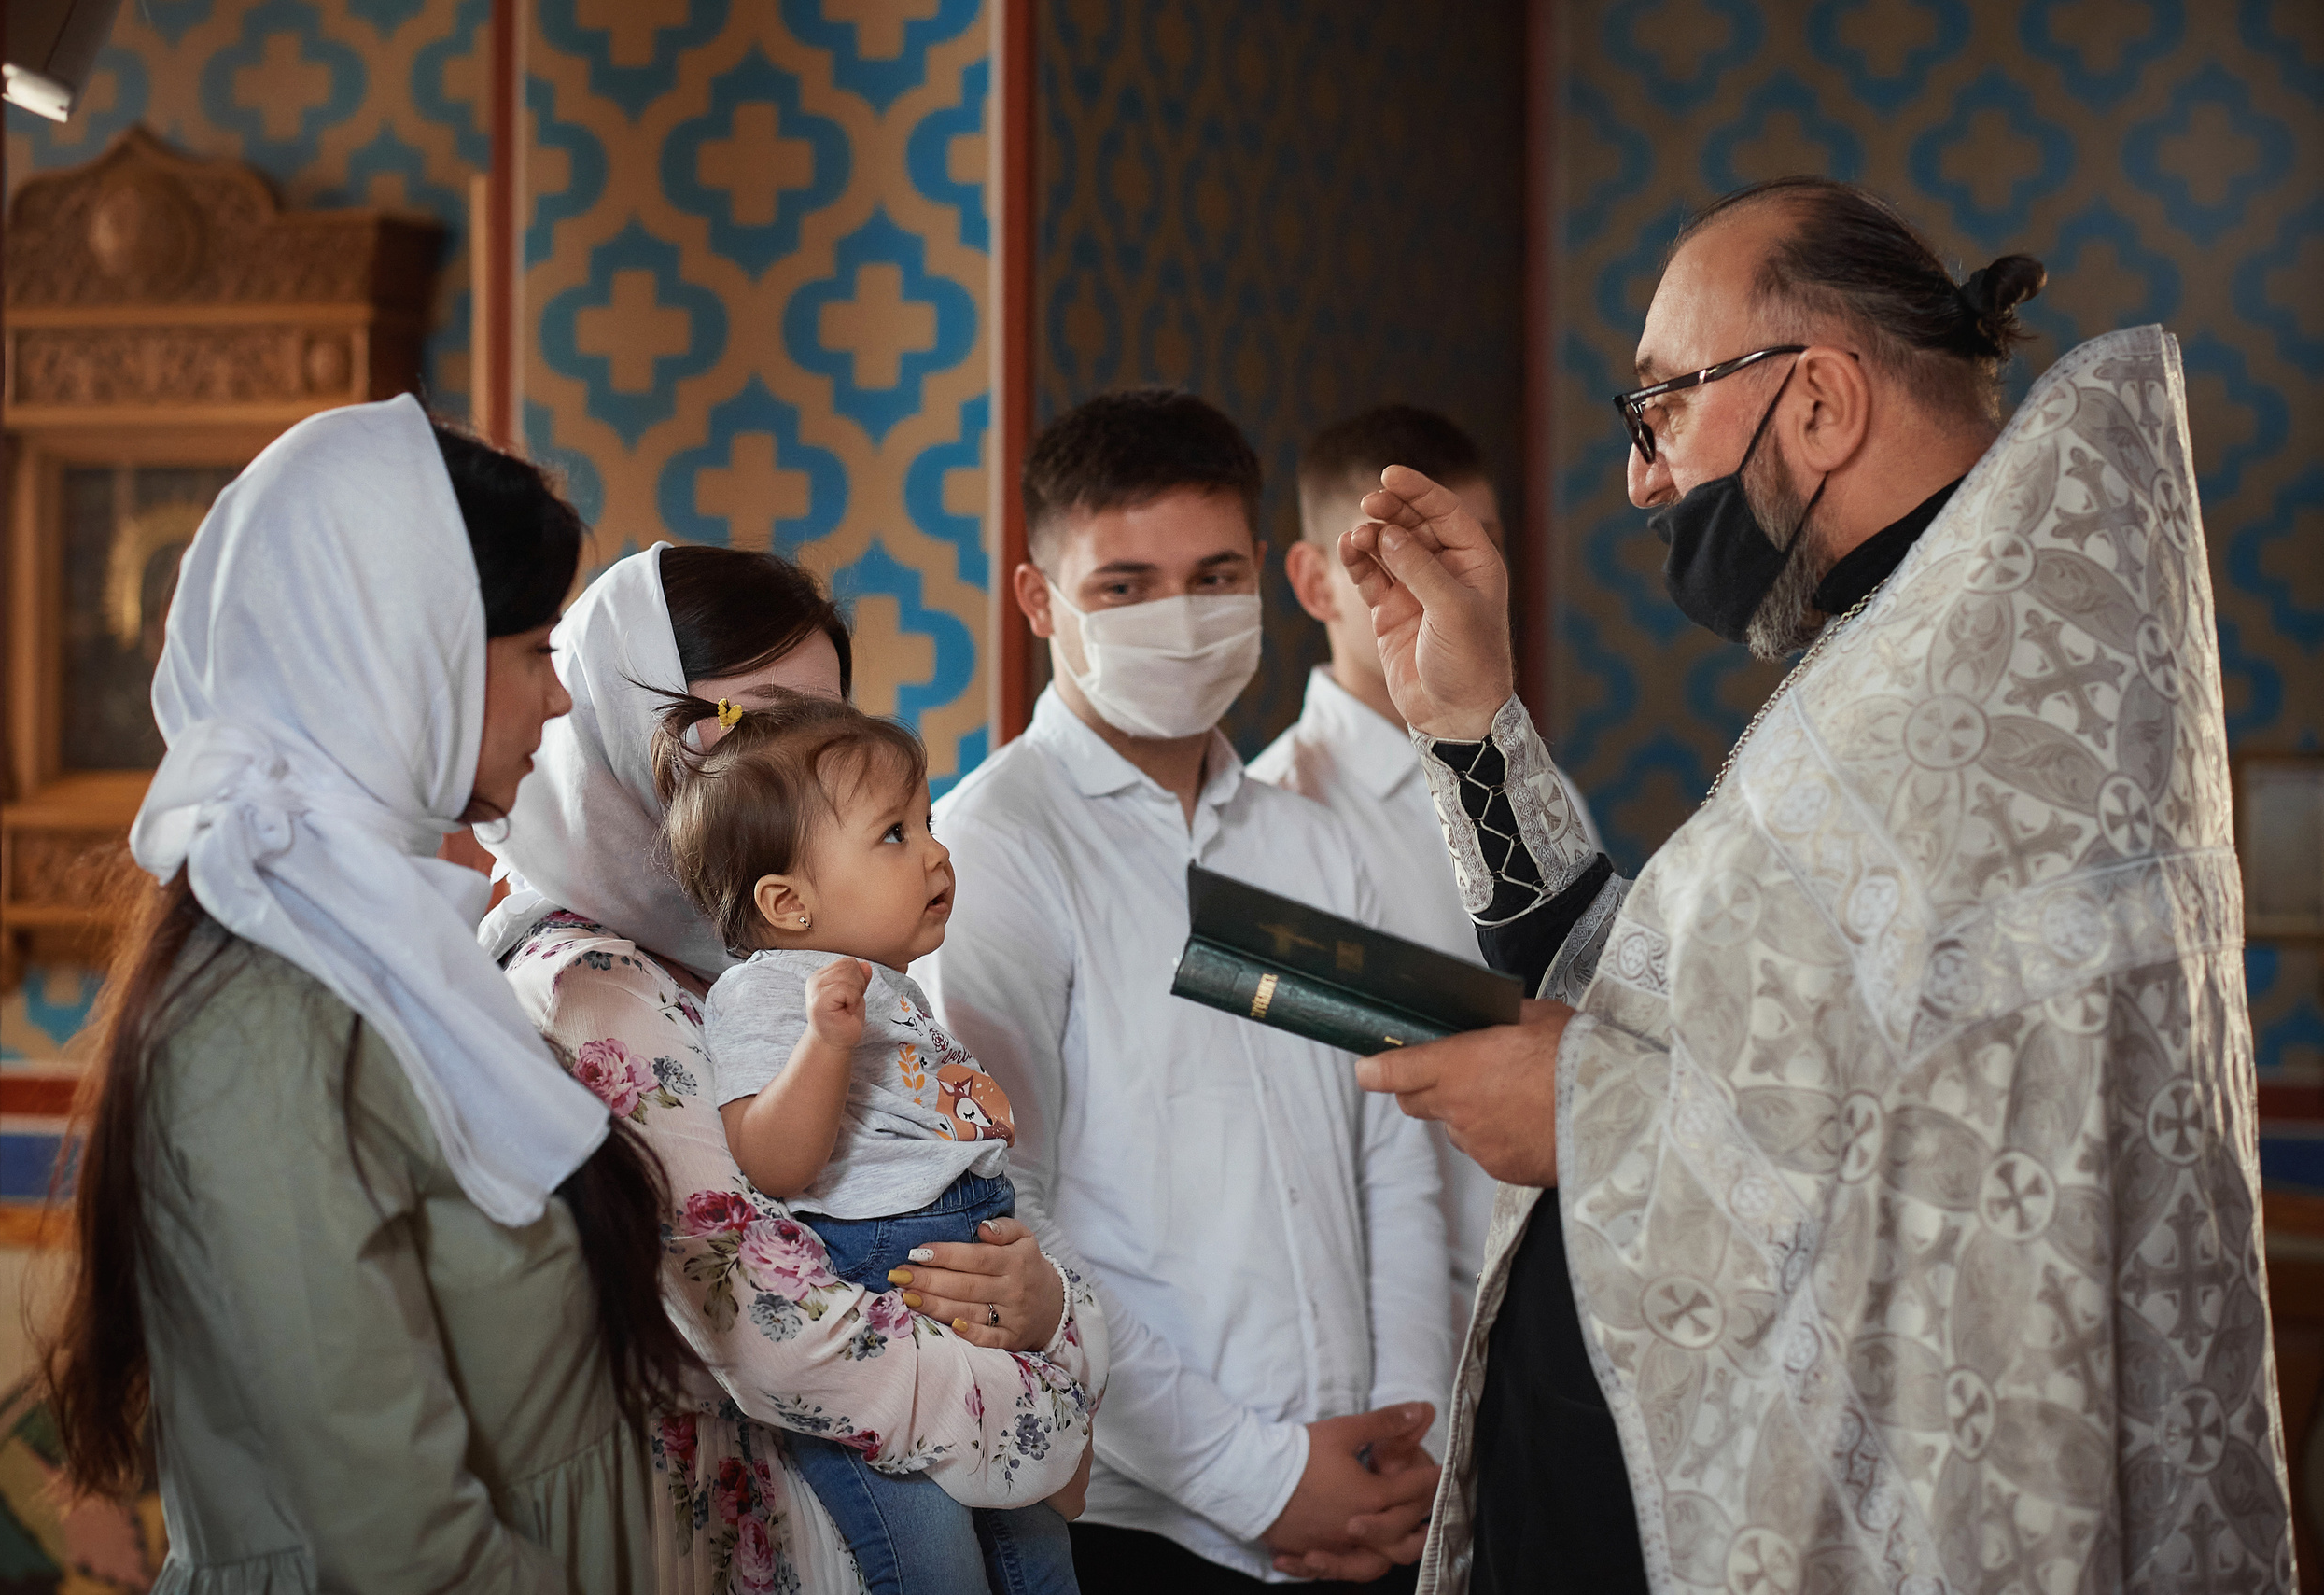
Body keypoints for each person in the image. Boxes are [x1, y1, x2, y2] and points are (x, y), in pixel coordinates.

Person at [1338, 176, 2294, 1591]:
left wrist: (1579, 1110)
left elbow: (1948, 1175)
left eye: (1659, 409)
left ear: (1822, 403)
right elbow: (1695, 1023)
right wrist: (1471, 721)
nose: (1641, 478)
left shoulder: (1975, 700)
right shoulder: (1908, 649)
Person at [41, 396, 684, 1588]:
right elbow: (401, 1540)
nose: (556, 698)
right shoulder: (266, 1018)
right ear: (409, 660)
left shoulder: (387, 940)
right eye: (533, 648)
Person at [485, 542, 1103, 1592]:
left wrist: (1045, 1307)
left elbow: (961, 1173)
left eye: (822, 727)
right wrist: (1041, 1415)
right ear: (620, 718)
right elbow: (764, 1315)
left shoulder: (809, 960)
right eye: (755, 722)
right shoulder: (591, 985)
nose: (793, 761)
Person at [914, 389, 1451, 1593]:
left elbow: (1391, 1141)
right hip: (1144, 1519)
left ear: (1259, 571)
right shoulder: (995, 847)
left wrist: (1401, 1432)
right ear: (1039, 599)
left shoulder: (1306, 840)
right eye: (1124, 585)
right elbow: (1003, 1211)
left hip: (1370, 1485)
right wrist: (1260, 1478)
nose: (1179, 614)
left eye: (1212, 577)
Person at [658, 690, 1084, 1595]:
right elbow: (771, 1159)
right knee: (933, 1558)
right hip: (874, 1280)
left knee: (1037, 1544)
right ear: (788, 901)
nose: (935, 850)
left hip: (961, 1269)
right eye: (894, 832)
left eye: (926, 821)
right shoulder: (770, 990)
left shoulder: (896, 988)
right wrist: (825, 1043)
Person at [1255, 403, 1600, 1352]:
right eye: (1401, 554)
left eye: (1469, 547)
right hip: (1411, 1336)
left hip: (1583, 1273)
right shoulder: (1277, 821)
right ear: (1314, 580)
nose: (1445, 584)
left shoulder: (1538, 784)